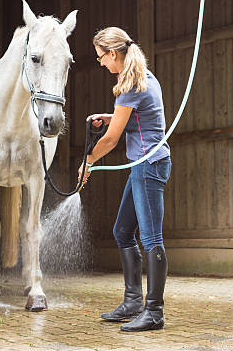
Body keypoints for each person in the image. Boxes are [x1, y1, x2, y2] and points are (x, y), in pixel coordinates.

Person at [78, 27, 171, 332]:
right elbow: (134, 116)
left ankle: (154, 312)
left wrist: (87, 162)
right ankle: (133, 301)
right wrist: (110, 115)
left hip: (149, 166)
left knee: (151, 239)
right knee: (122, 231)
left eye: (101, 57)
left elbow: (112, 139)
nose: (101, 63)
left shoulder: (131, 84)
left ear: (113, 53)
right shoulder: (141, 76)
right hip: (142, 166)